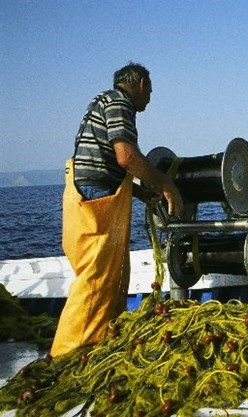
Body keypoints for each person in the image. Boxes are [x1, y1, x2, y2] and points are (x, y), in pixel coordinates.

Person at [50, 62, 183, 357]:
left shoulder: (102, 101)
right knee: (96, 279)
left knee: (107, 277)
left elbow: (109, 162)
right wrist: (165, 185)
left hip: (88, 193)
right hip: (97, 198)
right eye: (150, 91)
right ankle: (67, 354)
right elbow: (125, 157)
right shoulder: (119, 103)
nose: (150, 98)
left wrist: (139, 192)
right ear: (141, 85)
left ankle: (99, 342)